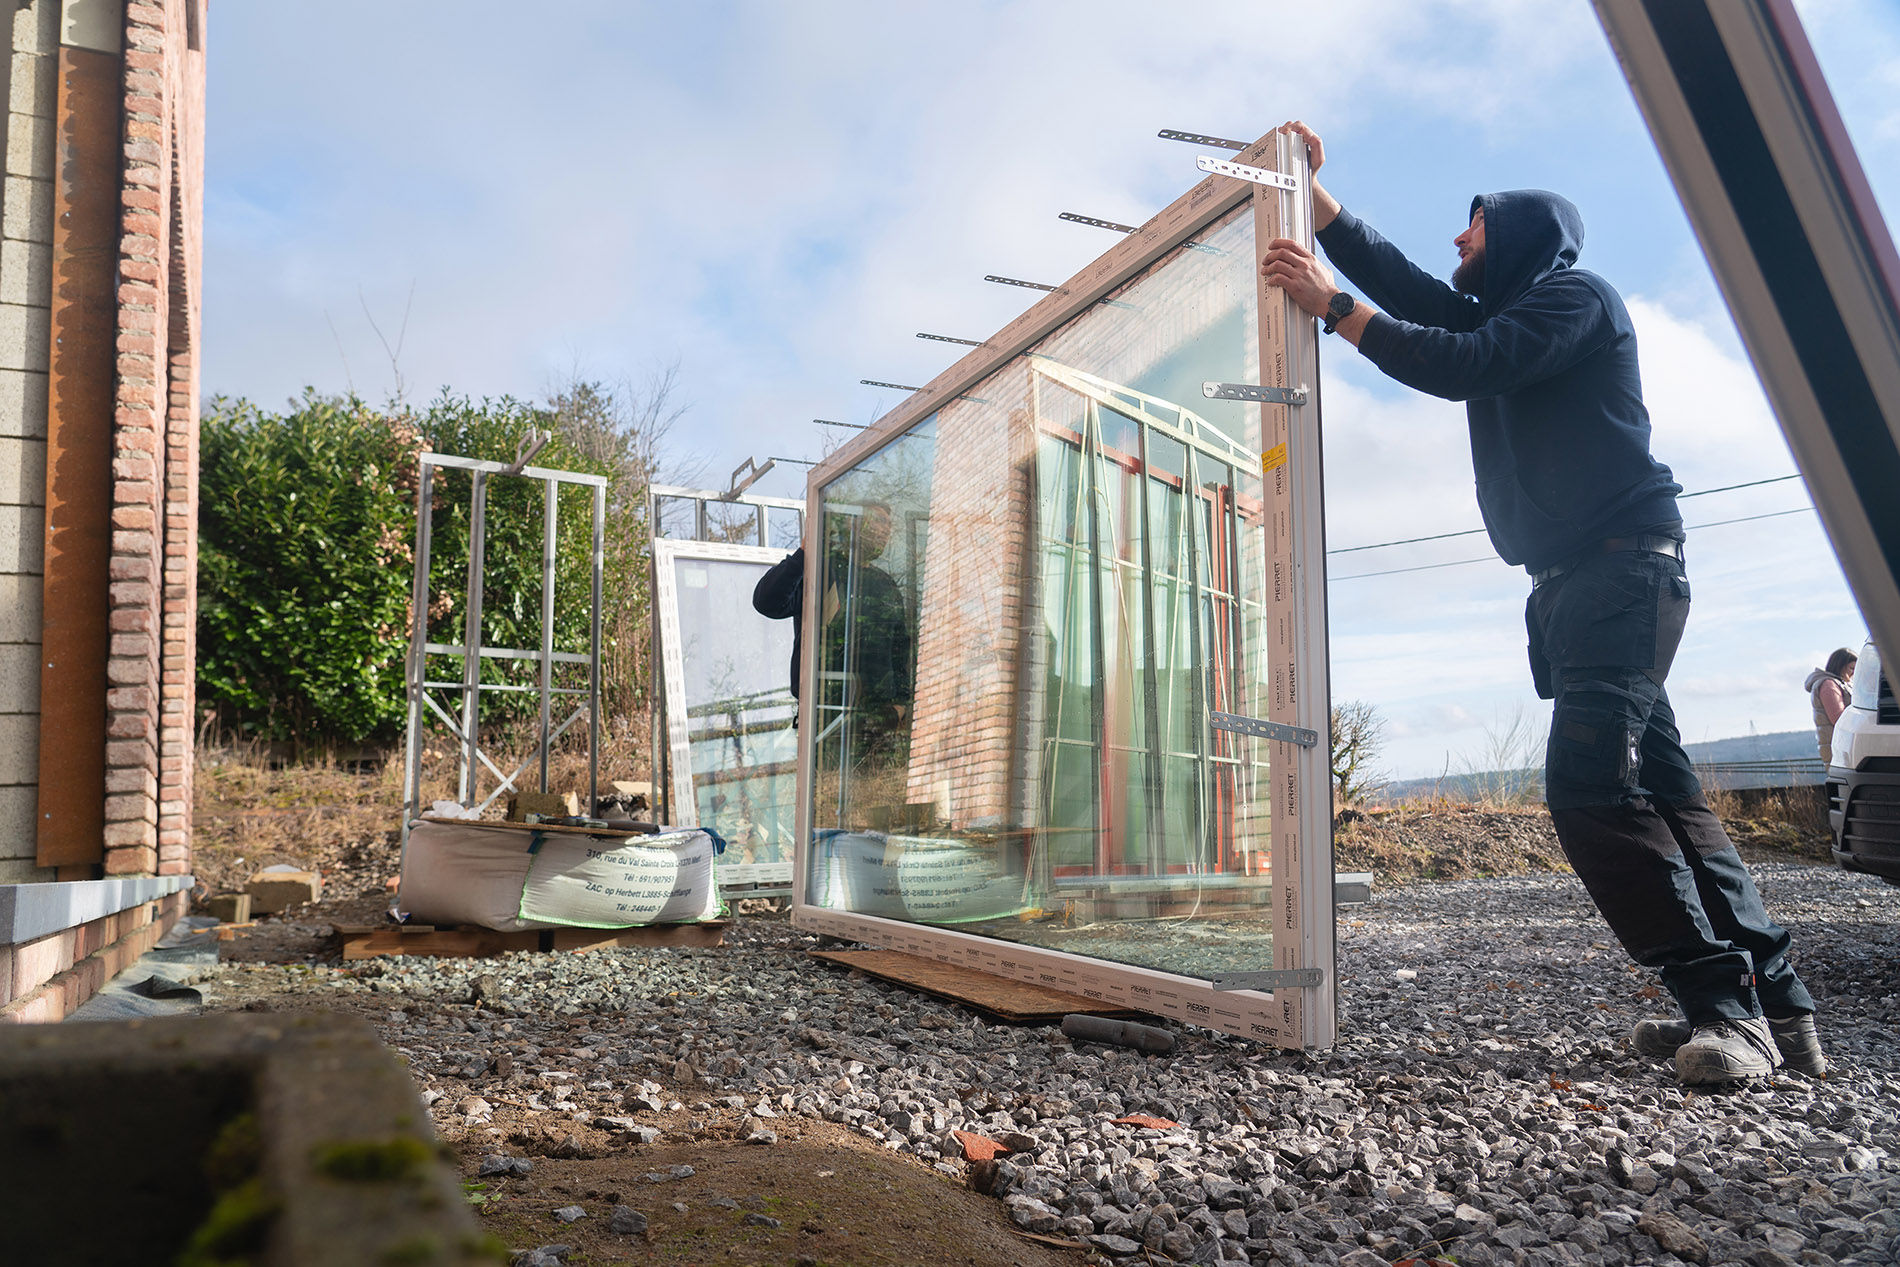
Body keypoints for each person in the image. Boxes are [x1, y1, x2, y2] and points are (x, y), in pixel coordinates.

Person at [1260, 119, 1825, 1084]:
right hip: (1588, 585)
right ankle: (1782, 1010)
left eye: (1471, 224)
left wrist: (1331, 307)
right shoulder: (1515, 307)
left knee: (1590, 789)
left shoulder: (1574, 300)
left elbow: (1458, 364)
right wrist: (1315, 201)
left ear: (1517, 232)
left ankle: (1724, 1012)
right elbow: (1417, 292)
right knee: (1677, 803)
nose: (1457, 240)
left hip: (1623, 575)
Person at [1805, 646, 1857, 763]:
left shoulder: (1838, 684)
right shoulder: (1829, 685)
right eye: (1851, 668)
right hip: (1838, 747)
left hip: (1840, 745)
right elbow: (1838, 718)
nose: (1853, 673)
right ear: (1840, 666)